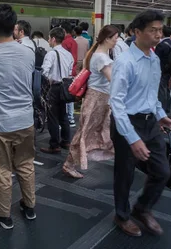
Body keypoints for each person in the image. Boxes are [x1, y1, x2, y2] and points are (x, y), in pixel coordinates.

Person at [110, 10, 171, 237]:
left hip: (150, 122)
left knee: (162, 171)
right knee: (125, 174)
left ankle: (142, 208)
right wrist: (132, 138)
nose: (158, 35)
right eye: (153, 30)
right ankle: (122, 215)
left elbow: (152, 94)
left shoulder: (154, 58)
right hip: (127, 122)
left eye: (160, 30)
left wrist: (160, 114)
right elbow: (116, 104)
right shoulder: (124, 61)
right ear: (137, 32)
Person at [0, 4, 37, 229]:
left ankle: (4, 215)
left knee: (3, 169)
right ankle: (29, 206)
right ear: (15, 28)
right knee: (26, 164)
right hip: (26, 120)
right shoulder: (29, 52)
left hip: (0, 123)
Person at [62, 25, 119, 178]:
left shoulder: (97, 54)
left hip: (97, 98)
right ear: (107, 38)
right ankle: (69, 164)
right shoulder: (101, 57)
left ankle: (71, 163)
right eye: (115, 38)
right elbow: (113, 80)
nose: (116, 41)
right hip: (98, 100)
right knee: (86, 132)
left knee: (88, 131)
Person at [40, 27, 73, 154]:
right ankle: (66, 141)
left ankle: (54, 145)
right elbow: (70, 72)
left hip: (54, 87)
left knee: (52, 116)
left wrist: (49, 80)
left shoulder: (51, 53)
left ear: (53, 39)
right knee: (63, 115)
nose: (48, 40)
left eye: (49, 38)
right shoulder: (68, 54)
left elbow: (44, 70)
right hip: (65, 87)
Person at [154, 26, 171, 115]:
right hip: (170, 68)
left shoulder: (161, 45)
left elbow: (156, 59)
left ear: (162, 33)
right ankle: (167, 106)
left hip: (162, 69)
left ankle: (162, 109)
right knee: (167, 88)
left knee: (161, 89)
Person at [60, 22, 78, 127]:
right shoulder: (73, 41)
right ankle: (71, 119)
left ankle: (65, 118)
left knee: (63, 96)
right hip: (73, 71)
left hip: (66, 72)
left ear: (64, 31)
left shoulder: (65, 42)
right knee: (70, 96)